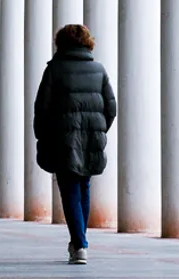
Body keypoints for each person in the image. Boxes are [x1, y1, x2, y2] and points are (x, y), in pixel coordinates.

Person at [34, 24, 117, 265]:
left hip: (63, 140)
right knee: (84, 188)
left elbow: (42, 108)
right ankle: (79, 241)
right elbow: (110, 108)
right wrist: (97, 130)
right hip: (91, 138)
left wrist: (42, 136)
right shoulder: (98, 70)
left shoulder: (54, 70)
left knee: (70, 191)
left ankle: (80, 244)